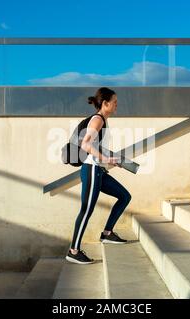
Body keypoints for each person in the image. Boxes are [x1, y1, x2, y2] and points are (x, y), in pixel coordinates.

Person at [66, 87, 132, 265]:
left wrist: (109, 161)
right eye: (115, 102)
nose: (117, 105)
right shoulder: (98, 120)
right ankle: (74, 250)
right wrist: (105, 158)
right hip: (91, 170)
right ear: (105, 103)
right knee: (86, 210)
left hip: (99, 170)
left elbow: (94, 147)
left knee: (124, 196)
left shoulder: (102, 121)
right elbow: (85, 144)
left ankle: (107, 233)